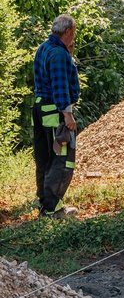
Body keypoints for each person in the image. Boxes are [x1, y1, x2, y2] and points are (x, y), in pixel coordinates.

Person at [32, 14, 80, 218]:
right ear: (68, 31)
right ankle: (52, 208)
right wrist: (67, 115)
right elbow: (60, 88)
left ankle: (44, 202)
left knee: (44, 156)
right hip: (55, 111)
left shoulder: (44, 47)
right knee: (60, 158)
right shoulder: (59, 55)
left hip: (40, 108)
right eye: (74, 33)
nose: (74, 37)